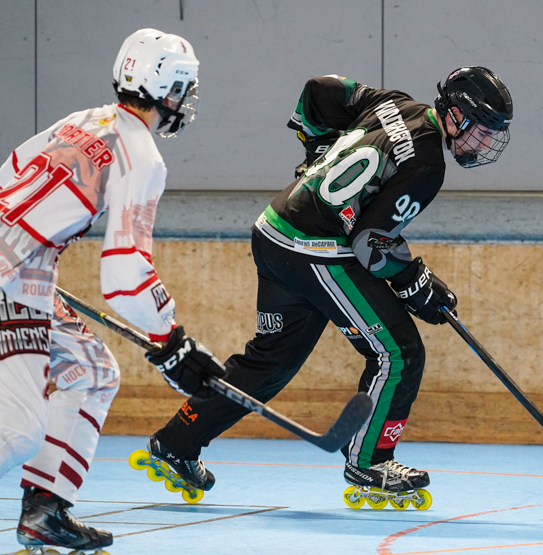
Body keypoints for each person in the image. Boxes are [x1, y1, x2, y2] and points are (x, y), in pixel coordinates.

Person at [147, 67, 513, 502]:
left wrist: (317, 150)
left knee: (272, 361)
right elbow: (369, 242)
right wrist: (415, 284)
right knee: (398, 352)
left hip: (274, 229)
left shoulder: (396, 102)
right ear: (455, 115)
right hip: (314, 248)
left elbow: (319, 90)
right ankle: (370, 461)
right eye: (483, 131)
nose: (486, 143)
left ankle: (176, 442)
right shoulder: (428, 163)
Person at [0, 28, 225, 555]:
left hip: (24, 275)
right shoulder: (142, 154)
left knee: (91, 369)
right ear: (167, 88)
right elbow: (125, 273)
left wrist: (33, 257)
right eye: (183, 89)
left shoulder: (83, 120)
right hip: (13, 281)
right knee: (17, 432)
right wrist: (172, 339)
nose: (184, 102)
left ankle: (45, 511)